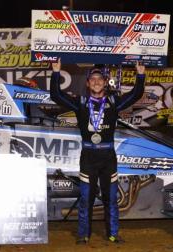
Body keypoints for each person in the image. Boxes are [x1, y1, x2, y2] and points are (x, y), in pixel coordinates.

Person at [50, 59, 145, 244]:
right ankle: (83, 235)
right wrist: (56, 72)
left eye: (99, 79)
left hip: (108, 157)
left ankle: (113, 234)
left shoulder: (113, 101)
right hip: (88, 157)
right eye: (92, 79)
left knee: (111, 199)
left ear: (105, 82)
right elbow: (56, 95)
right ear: (87, 83)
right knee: (86, 199)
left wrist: (140, 75)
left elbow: (135, 95)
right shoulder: (81, 102)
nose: (96, 82)